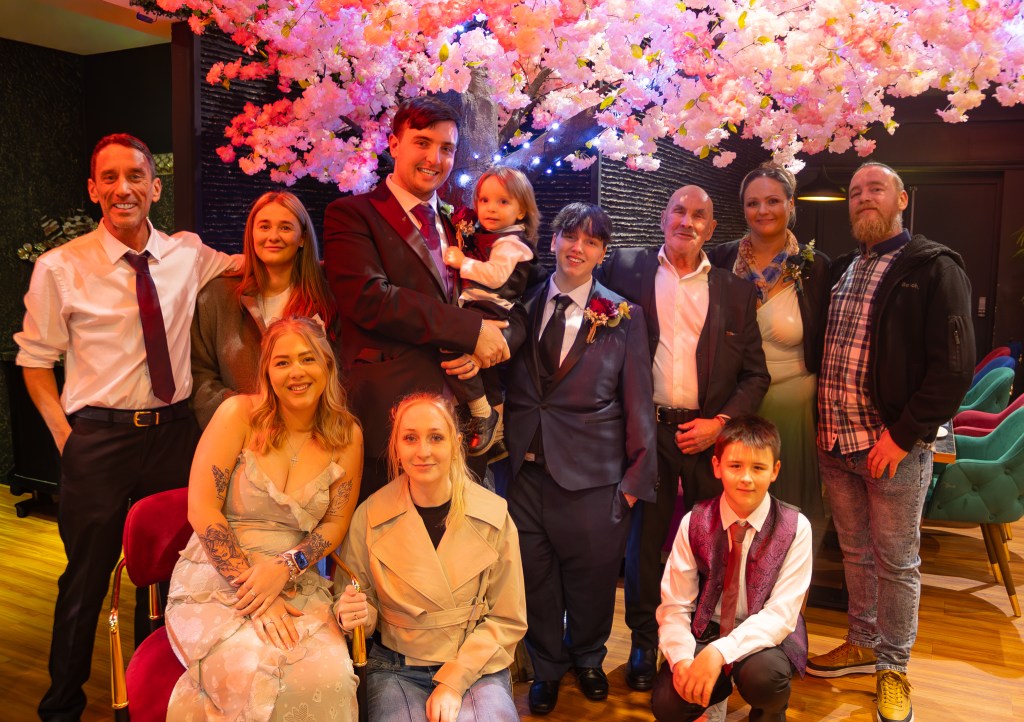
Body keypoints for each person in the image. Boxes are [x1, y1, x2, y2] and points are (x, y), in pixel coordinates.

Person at [14, 133, 238, 722]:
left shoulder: (188, 253)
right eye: (109, 178)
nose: (123, 188)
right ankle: (61, 707)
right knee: (85, 580)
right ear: (93, 190)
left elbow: (260, 261)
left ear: (154, 187)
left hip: (174, 435)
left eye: (135, 176)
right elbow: (34, 361)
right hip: (98, 438)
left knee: (165, 575)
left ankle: (146, 702)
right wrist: (67, 437)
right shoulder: (60, 267)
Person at [806, 162, 974, 722]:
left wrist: (902, 437)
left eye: (876, 189)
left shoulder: (935, 267)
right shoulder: (845, 269)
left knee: (897, 563)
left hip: (891, 451)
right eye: (855, 192)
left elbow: (953, 370)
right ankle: (861, 643)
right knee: (855, 554)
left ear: (902, 199)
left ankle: (894, 667)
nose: (863, 198)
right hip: (835, 443)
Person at [598, 185, 770, 692]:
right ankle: (643, 642)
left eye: (699, 215)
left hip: (709, 436)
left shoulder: (736, 292)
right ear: (663, 217)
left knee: (709, 543)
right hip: (645, 430)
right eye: (678, 210)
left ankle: (699, 638)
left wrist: (720, 423)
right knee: (643, 543)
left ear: (711, 229)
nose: (687, 221)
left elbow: (755, 376)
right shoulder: (624, 270)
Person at [165, 316, 362, 720]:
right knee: (258, 675)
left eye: (307, 358)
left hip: (295, 578)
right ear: (267, 372)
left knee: (333, 679)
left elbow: (335, 524)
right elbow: (202, 508)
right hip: (219, 576)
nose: (296, 372)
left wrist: (285, 568)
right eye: (282, 362)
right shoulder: (236, 414)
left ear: (327, 364)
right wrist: (257, 595)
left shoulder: (347, 436)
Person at [504, 202, 657, 715]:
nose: (578, 248)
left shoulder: (622, 315)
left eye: (591, 241)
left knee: (592, 579)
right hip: (524, 471)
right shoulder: (520, 304)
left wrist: (634, 482)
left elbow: (639, 401)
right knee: (536, 577)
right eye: (570, 236)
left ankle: (588, 658)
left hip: (594, 476)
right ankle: (547, 667)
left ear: (602, 253)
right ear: (553, 240)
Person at [324, 96, 515, 498]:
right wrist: (469, 331)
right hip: (392, 417)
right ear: (394, 145)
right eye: (423, 143)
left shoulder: (459, 221)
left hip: (462, 421)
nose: (434, 158)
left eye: (446, 148)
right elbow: (370, 298)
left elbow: (498, 293)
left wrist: (486, 345)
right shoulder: (352, 214)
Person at [334, 393, 527, 722]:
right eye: (410, 438)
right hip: (395, 666)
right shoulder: (369, 516)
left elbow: (507, 619)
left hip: (475, 665)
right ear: (396, 447)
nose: (423, 451)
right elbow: (356, 601)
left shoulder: (494, 516)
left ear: (456, 443)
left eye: (436, 437)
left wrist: (454, 680)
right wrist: (355, 615)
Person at [653, 416, 812, 722]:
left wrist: (719, 653)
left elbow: (781, 614)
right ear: (717, 466)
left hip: (765, 636)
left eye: (758, 468)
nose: (746, 478)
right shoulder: (694, 521)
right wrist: (683, 660)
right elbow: (675, 605)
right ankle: (713, 696)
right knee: (668, 704)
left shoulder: (796, 528)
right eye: (735, 466)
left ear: (775, 470)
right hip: (706, 628)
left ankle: (768, 715)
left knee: (764, 679)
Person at [706, 164, 831, 517]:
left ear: (791, 204)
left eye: (773, 201)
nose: (763, 211)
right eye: (753, 203)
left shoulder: (816, 267)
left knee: (787, 510)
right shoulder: (720, 260)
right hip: (731, 405)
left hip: (793, 408)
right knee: (734, 507)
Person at [191, 190, 337, 428]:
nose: (273, 236)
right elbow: (200, 374)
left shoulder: (329, 294)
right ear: (251, 234)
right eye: (264, 227)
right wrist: (245, 414)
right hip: (241, 433)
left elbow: (340, 369)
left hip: (313, 431)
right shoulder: (216, 296)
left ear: (302, 238)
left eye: (285, 228)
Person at [442, 166, 540, 457]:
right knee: (487, 372)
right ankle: (496, 433)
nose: (491, 208)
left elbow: (496, 276)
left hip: (493, 311)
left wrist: (463, 262)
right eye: (484, 200)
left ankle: (482, 412)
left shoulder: (511, 243)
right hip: (484, 309)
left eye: (503, 201)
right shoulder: (493, 237)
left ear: (521, 211)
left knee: (452, 350)